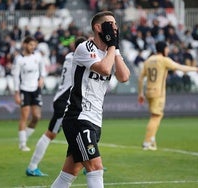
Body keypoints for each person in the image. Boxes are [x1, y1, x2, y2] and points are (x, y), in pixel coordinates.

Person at [51, 11, 130, 188]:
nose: (115, 27)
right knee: (96, 168)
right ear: (98, 27)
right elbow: (103, 68)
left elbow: (124, 77)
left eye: (116, 24)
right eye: (111, 24)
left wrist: (114, 48)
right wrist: (111, 48)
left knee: (70, 172)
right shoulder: (85, 47)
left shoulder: (110, 52)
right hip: (79, 117)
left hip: (95, 119)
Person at [25, 37, 86, 177]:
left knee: (81, 132)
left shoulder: (70, 57)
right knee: (50, 134)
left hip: (68, 101)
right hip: (64, 102)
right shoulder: (76, 58)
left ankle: (87, 164)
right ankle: (32, 166)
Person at [138, 41, 198, 151]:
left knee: (153, 116)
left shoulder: (148, 60)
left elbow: (141, 78)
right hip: (158, 93)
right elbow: (180, 67)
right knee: (156, 117)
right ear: (163, 49)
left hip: (148, 91)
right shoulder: (164, 60)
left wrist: (140, 93)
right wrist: (196, 69)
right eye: (167, 48)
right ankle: (147, 142)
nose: (168, 50)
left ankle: (152, 140)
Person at [12, 36, 45, 152]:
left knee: (36, 116)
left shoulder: (38, 56)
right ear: (25, 44)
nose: (33, 47)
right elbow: (15, 76)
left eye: (34, 45)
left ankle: (24, 137)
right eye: (31, 44)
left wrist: (42, 78)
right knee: (24, 116)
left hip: (36, 89)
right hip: (24, 90)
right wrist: (16, 93)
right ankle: (22, 144)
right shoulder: (19, 59)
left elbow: (43, 69)